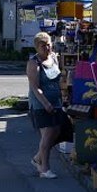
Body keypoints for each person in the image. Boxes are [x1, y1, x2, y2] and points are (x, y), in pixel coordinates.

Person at [27, 30, 64, 179]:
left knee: (56, 132)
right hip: (41, 104)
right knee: (48, 135)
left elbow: (59, 78)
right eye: (43, 46)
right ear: (37, 47)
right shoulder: (34, 63)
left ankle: (37, 158)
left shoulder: (54, 58)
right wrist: (45, 103)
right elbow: (35, 87)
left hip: (56, 101)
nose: (47, 48)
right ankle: (44, 169)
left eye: (48, 45)